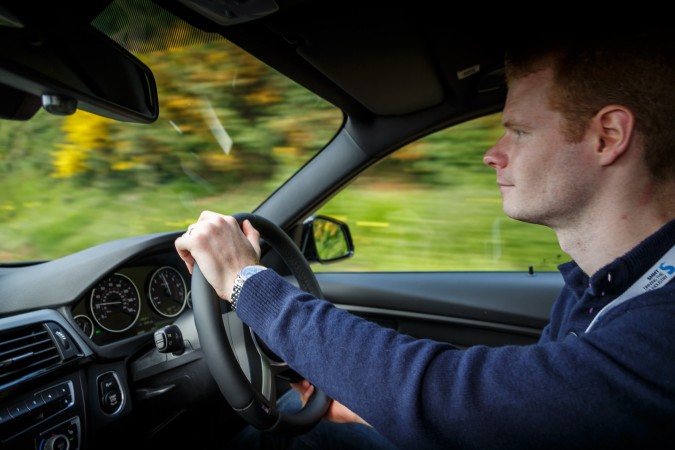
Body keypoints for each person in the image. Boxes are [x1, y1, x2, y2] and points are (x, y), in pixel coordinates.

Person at [175, 30, 675, 449]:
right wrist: (377, 408)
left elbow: (457, 397)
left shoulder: (661, 328)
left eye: (518, 132)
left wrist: (246, 282)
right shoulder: (602, 285)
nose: (493, 154)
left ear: (607, 135)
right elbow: (519, 415)